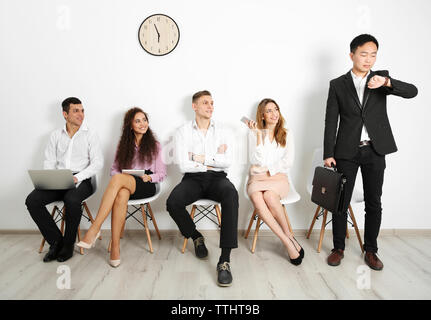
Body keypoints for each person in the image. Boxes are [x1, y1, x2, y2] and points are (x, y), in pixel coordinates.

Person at [323, 34, 418, 270]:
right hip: (346, 151)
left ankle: (371, 250)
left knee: (374, 202)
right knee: (340, 203)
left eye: (373, 54)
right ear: (352, 55)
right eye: (364, 54)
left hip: (375, 150)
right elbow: (330, 121)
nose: (368, 59)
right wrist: (328, 152)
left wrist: (387, 83)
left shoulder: (380, 79)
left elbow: (412, 91)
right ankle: (338, 248)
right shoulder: (337, 84)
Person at [166, 90, 239, 287]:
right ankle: (196, 236)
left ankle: (224, 260)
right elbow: (182, 165)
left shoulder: (224, 130)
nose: (210, 106)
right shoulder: (182, 131)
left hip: (217, 178)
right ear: (194, 106)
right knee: (173, 202)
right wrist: (213, 160)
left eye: (212, 103)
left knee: (231, 194)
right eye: (205, 103)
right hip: (192, 179)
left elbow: (228, 162)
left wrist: (198, 157)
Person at [77, 107, 166, 267]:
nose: (142, 124)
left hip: (146, 185)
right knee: (122, 193)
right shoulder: (123, 145)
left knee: (119, 179)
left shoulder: (155, 145)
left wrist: (148, 177)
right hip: (127, 183)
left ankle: (94, 229)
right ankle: (115, 249)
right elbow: (114, 170)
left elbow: (161, 173)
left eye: (144, 120)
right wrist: (124, 176)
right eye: (137, 121)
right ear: (130, 125)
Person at [25, 97, 104, 263]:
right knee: (32, 200)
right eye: (76, 111)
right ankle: (55, 242)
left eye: (82, 110)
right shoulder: (55, 135)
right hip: (59, 178)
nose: (81, 114)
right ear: (65, 114)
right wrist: (51, 178)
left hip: (83, 179)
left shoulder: (90, 134)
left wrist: (77, 177)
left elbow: (98, 163)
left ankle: (68, 245)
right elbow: (49, 161)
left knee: (72, 199)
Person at [245, 98, 303, 265]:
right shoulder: (253, 133)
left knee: (270, 196)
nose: (274, 113)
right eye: (269, 110)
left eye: (276, 109)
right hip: (257, 178)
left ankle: (289, 236)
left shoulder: (286, 133)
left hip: (278, 178)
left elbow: (288, 162)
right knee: (256, 197)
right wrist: (258, 136)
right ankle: (288, 241)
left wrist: (267, 169)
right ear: (262, 115)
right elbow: (255, 159)